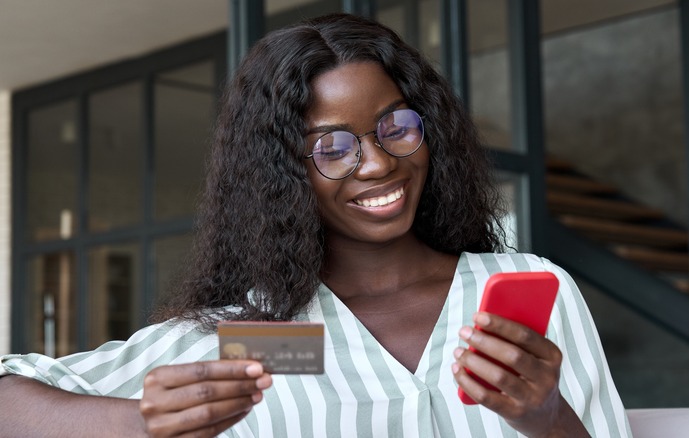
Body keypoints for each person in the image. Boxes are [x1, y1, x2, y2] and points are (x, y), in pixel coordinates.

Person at [0, 13, 631, 437]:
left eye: (397, 127)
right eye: (331, 147)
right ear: (282, 173)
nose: (380, 162)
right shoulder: (277, 339)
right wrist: (141, 422)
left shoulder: (526, 291)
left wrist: (550, 421)